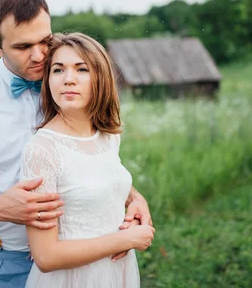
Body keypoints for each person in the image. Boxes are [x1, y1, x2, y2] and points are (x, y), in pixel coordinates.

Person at [0, 0, 152, 288]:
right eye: (22, 47)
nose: (39, 56)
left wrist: (135, 198)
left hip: (78, 264)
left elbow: (84, 162)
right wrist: (0, 207)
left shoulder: (68, 84)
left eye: (44, 41)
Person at [19, 32, 155, 287]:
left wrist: (136, 204)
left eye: (82, 70)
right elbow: (45, 257)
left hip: (116, 273)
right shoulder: (42, 150)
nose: (68, 79)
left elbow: (105, 187)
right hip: (73, 278)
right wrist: (126, 240)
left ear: (100, 78)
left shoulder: (107, 136)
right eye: (58, 70)